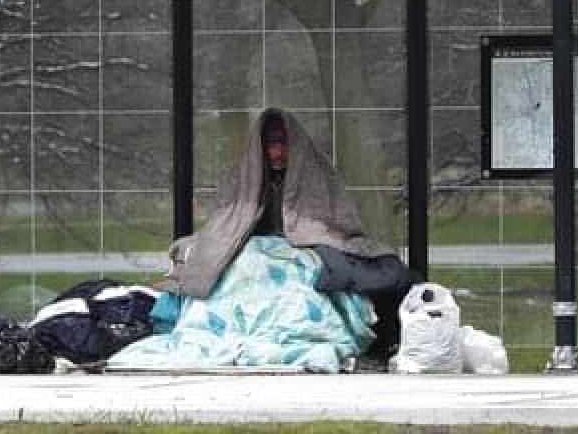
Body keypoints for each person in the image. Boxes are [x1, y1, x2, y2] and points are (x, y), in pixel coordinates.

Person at [160, 108, 417, 367]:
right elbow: (227, 220)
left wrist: (304, 233)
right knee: (228, 268)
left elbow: (335, 222)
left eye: (283, 144)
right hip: (252, 248)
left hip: (307, 247)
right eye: (271, 145)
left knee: (329, 275)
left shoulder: (317, 173)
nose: (278, 152)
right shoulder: (241, 176)